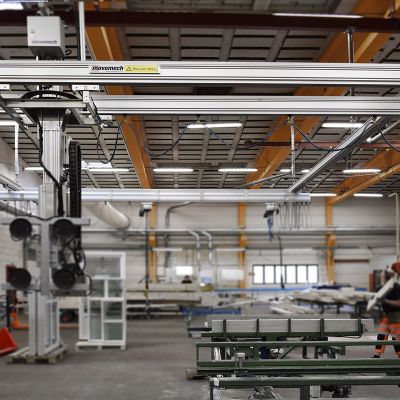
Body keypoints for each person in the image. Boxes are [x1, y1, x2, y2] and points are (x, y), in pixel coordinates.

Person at [374, 266, 400, 358]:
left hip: (396, 316)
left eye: (382, 276)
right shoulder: (382, 288)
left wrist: (386, 301)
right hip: (386, 316)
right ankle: (377, 355)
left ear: (386, 277)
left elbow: (398, 303)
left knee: (396, 337)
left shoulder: (396, 288)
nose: (380, 278)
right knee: (381, 336)